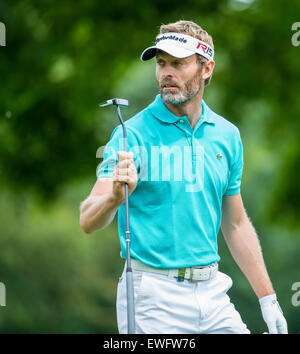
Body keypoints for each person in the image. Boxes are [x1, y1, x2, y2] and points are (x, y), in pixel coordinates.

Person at [79, 20, 288, 334]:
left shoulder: (227, 136)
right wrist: (113, 198)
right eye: (161, 63)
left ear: (206, 69)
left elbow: (235, 223)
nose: (166, 73)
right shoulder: (131, 135)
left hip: (213, 292)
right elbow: (87, 219)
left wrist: (267, 298)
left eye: (178, 63)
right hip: (152, 297)